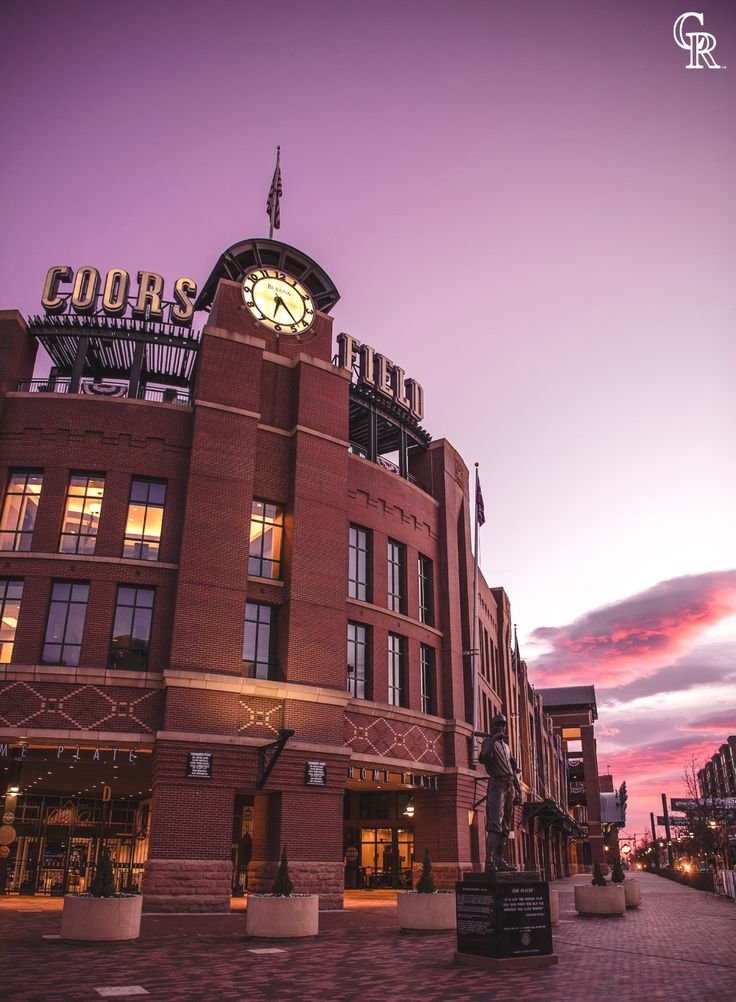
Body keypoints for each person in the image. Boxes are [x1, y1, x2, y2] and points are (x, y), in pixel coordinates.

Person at [478, 713, 522, 873]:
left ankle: (500, 860)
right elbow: (483, 757)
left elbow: (512, 771)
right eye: (498, 725)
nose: (501, 727)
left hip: (509, 786)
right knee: (495, 824)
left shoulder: (507, 747)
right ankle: (489, 861)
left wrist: (519, 791)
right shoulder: (488, 742)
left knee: (505, 827)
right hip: (497, 785)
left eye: (503, 725)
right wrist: (494, 739)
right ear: (493, 726)